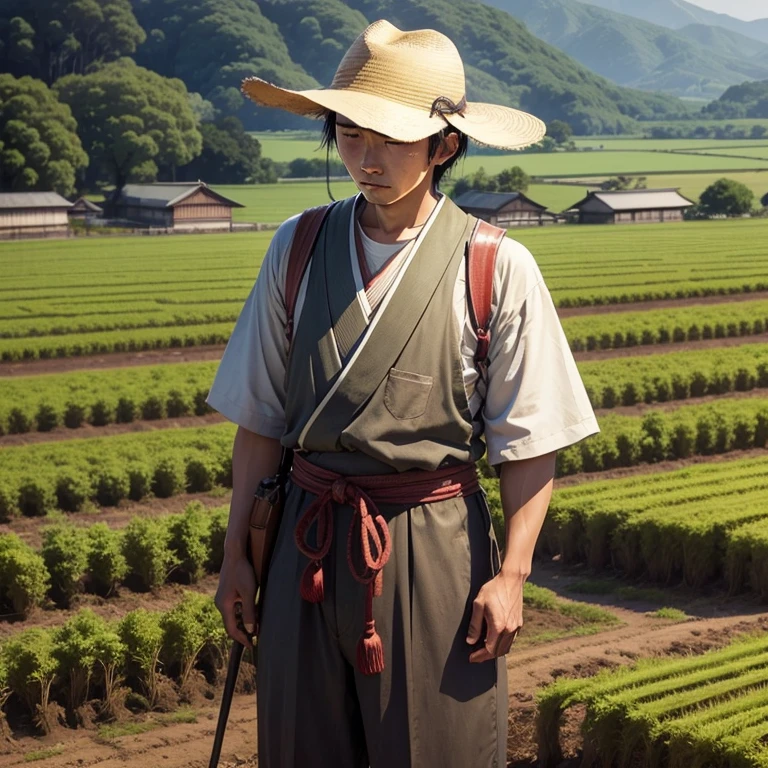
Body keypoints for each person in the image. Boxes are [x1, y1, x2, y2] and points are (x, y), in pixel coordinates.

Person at [206, 19, 600, 768]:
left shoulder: (495, 266)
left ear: (444, 145)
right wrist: (237, 555)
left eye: (388, 136)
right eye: (350, 133)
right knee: (298, 748)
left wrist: (512, 576)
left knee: (435, 751)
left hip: (433, 546)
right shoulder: (296, 247)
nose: (365, 156)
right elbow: (258, 420)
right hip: (304, 542)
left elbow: (532, 441)